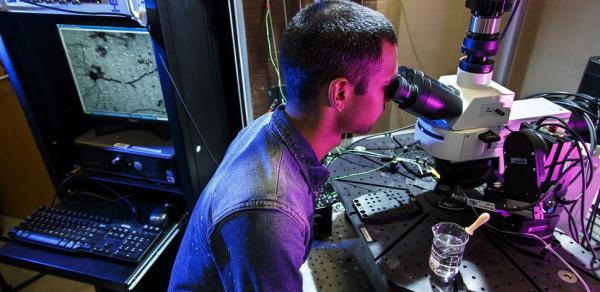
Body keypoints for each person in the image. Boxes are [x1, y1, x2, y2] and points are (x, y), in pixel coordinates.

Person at [168, 0, 398, 291]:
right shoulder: (271, 214)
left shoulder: (267, 127)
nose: (391, 97)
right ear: (340, 92)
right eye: (386, 86)